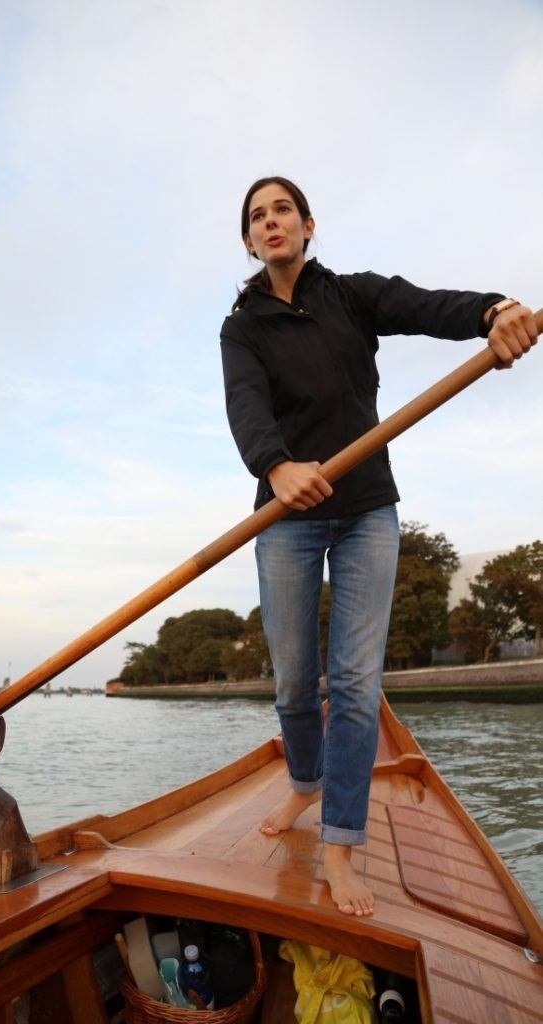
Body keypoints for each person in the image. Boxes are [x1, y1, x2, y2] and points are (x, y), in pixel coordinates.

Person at [219, 176, 537, 918]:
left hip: (366, 512)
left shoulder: (351, 294)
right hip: (285, 517)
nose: (272, 223)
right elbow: (245, 404)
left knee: (355, 685)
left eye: (283, 211)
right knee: (297, 683)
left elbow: (425, 305)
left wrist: (494, 310)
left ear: (307, 225)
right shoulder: (242, 329)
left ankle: (339, 844)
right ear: (248, 240)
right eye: (258, 217)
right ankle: (305, 782)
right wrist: (276, 465)